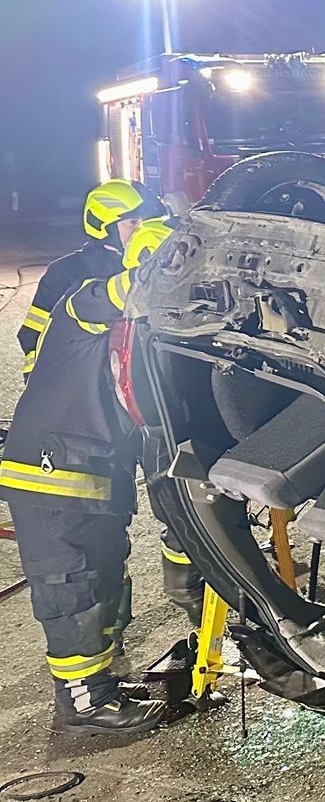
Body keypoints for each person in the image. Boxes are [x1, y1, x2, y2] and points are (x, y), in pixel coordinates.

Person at [0, 220, 175, 735]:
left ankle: (100, 685)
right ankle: (82, 702)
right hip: (52, 472)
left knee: (101, 577)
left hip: (95, 471)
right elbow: (108, 296)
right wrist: (162, 273)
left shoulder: (147, 331)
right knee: (70, 586)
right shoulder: (89, 303)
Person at [15, 178, 164, 380]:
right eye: (133, 222)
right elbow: (32, 336)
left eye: (149, 221)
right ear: (102, 225)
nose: (143, 230)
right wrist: (44, 384)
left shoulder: (153, 269)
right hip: (83, 384)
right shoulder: (66, 272)